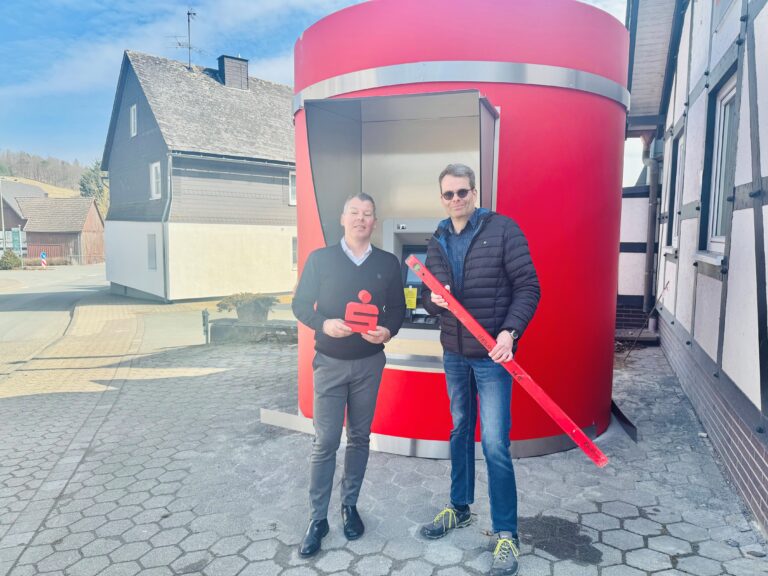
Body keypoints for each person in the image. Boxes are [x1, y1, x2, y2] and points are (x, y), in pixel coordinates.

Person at [419, 164, 540, 576]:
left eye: (462, 192)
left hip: (491, 356)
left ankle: (507, 533)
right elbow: (426, 295)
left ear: (475, 192)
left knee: (494, 443)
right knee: (459, 431)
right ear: (442, 198)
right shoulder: (437, 238)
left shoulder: (503, 229)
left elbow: (529, 286)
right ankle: (459, 508)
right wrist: (433, 301)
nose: (456, 199)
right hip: (454, 353)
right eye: (448, 194)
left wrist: (510, 332)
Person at [292, 193, 406, 557]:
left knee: (359, 438)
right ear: (343, 218)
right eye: (354, 212)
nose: (360, 219)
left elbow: (397, 310)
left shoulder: (387, 263)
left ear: (375, 221)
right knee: (325, 441)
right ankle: (317, 519)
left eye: (367, 214)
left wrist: (387, 331)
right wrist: (324, 323)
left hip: (369, 364)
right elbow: (300, 305)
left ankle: (349, 505)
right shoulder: (321, 259)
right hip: (329, 363)